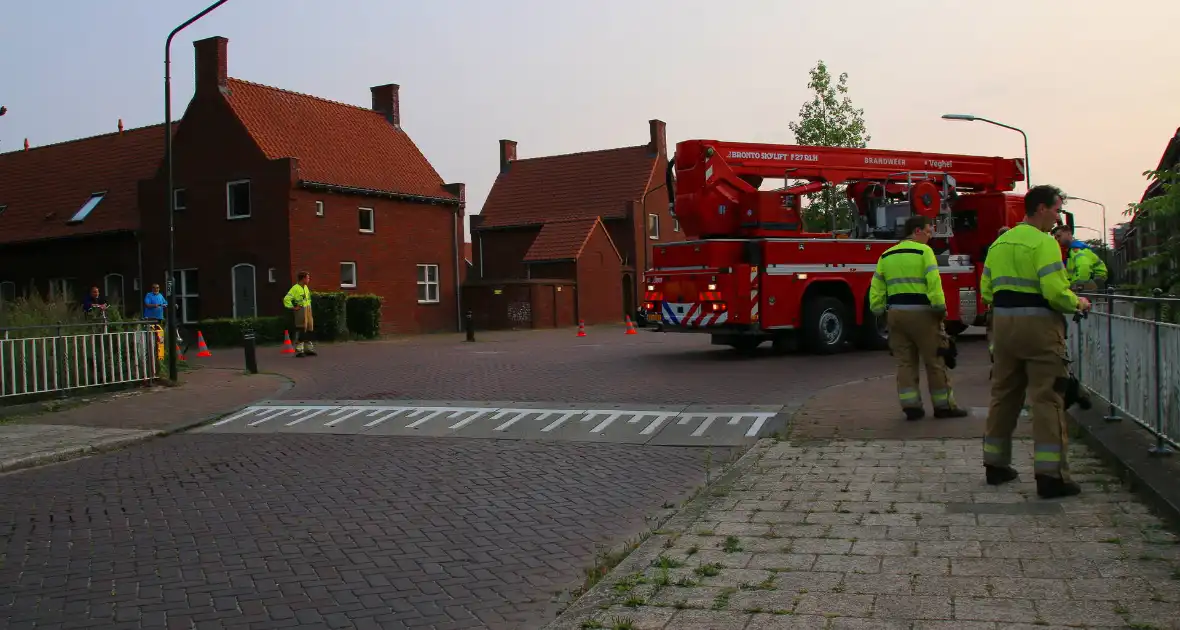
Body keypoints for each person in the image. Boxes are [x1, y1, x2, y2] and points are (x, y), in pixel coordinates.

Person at [980, 184, 1092, 499]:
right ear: (1041, 208)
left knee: (1004, 395)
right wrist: (1079, 303)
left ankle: (995, 465)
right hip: (1040, 329)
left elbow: (986, 290)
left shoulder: (999, 243)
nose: (1057, 219)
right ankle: (1051, 475)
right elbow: (1055, 292)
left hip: (1003, 327)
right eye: (1056, 210)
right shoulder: (1044, 244)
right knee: (1047, 397)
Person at [869, 215, 968, 421]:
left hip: (896, 315)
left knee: (905, 362)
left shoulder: (886, 255)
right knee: (935, 360)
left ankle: (911, 406)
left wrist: (879, 310)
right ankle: (943, 406)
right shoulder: (924, 252)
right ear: (916, 231)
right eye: (928, 231)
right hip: (923, 314)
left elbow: (877, 287)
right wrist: (940, 309)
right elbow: (933, 282)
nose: (930, 236)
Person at [1052, 226, 1108, 291]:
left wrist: (1077, 285)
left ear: (1068, 234)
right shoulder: (1069, 250)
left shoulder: (1077, 249)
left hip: (1095, 278)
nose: (1057, 239)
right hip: (1092, 279)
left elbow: (1084, 268)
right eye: (1055, 238)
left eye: (1059, 236)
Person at [283, 271, 317, 357]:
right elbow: (286, 299)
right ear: (303, 279)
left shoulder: (305, 287)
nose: (309, 279)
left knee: (309, 328)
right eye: (308, 278)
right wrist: (293, 307)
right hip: (301, 309)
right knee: (302, 329)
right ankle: (299, 350)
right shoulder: (295, 288)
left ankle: (308, 349)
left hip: (308, 309)